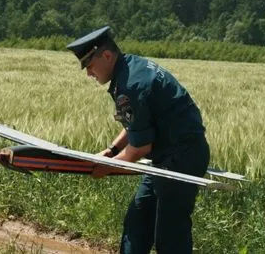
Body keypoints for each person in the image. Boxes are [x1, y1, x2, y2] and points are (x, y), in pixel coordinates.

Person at [66, 26, 210, 254]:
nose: (89, 74)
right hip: (166, 157)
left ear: (106, 56)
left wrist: (106, 167)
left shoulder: (131, 84)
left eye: (90, 66)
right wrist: (111, 151)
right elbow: (137, 124)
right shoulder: (130, 68)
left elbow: (140, 147)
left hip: (182, 157)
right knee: (137, 223)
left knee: (170, 236)